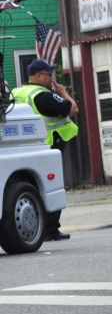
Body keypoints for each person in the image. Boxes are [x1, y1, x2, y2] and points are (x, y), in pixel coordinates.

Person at [12, 59, 79, 241]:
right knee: (50, 186)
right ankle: (51, 230)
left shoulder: (17, 92)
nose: (52, 78)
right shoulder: (43, 95)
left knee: (31, 187)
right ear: (39, 76)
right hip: (48, 146)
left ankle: (39, 228)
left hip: (22, 148)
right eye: (49, 75)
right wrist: (63, 92)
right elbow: (73, 109)